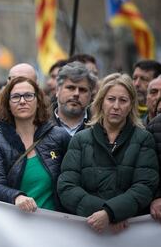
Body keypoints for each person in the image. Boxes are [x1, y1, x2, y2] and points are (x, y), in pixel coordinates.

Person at [58, 73, 159, 233]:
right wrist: (106, 214)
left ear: (131, 104)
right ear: (101, 102)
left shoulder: (143, 139)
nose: (116, 106)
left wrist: (111, 213)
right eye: (111, 99)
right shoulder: (80, 139)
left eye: (123, 100)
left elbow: (145, 186)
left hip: (130, 233)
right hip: (87, 231)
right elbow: (67, 187)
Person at [0, 77, 71, 212]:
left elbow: (72, 180)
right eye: (15, 97)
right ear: (8, 104)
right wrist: (16, 196)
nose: (22, 101)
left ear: (38, 101)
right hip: (15, 223)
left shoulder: (59, 136)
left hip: (55, 223)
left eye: (28, 96)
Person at [52, 61, 98, 136]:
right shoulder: (40, 123)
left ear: (90, 95)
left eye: (82, 90)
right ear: (57, 90)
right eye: (70, 88)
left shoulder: (100, 127)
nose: (76, 94)